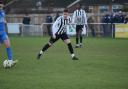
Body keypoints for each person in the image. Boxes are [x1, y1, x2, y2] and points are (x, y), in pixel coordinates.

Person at [0, 1, 17, 66]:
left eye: (2, 6)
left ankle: (10, 61)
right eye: (0, 6)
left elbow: (3, 19)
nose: (1, 7)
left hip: (3, 33)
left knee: (8, 45)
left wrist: (4, 21)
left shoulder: (3, 12)